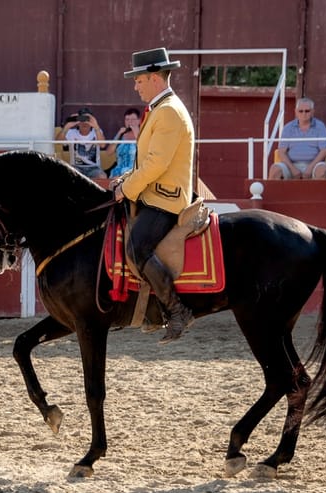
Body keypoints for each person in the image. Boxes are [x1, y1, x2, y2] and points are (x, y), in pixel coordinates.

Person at [111, 47, 195, 344]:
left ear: (155, 78)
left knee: (137, 247)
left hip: (166, 198)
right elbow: (148, 160)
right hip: (154, 192)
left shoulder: (169, 112)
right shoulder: (162, 108)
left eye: (139, 80)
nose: (136, 86)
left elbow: (157, 164)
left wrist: (127, 188)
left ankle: (175, 310)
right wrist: (126, 178)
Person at [268, 97, 326, 180]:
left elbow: (324, 151)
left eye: (307, 111)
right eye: (300, 111)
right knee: (275, 169)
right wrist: (293, 169)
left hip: (314, 164)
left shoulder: (320, 126)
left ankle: (318, 193)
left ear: (313, 112)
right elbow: (281, 152)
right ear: (296, 112)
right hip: (291, 165)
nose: (304, 114)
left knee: (322, 170)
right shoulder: (288, 127)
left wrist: (310, 168)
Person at [56, 106, 107, 179]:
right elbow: (58, 142)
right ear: (78, 121)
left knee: (102, 176)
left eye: (87, 119)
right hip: (76, 167)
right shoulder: (71, 132)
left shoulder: (96, 132)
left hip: (94, 168)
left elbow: (103, 145)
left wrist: (96, 126)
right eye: (82, 119)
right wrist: (67, 126)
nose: (85, 122)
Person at [106, 107, 141, 178]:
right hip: (118, 171)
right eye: (127, 119)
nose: (130, 122)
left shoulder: (143, 133)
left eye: (133, 119)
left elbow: (145, 150)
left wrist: (136, 132)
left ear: (139, 121)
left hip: (135, 171)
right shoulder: (121, 135)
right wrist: (119, 134)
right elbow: (109, 152)